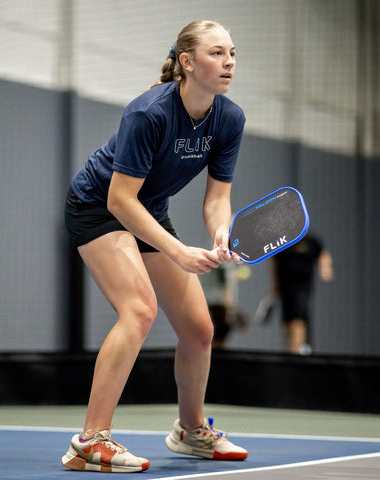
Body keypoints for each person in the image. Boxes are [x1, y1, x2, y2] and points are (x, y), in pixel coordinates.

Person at [61, 20, 248, 473]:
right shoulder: (150, 113)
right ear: (187, 62)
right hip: (98, 206)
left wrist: (220, 233)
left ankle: (190, 431)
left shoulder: (229, 118)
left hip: (147, 209)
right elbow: (119, 200)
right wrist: (179, 253)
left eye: (233, 54)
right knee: (139, 309)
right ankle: (90, 440)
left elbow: (218, 198)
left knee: (199, 329)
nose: (229, 63)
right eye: (217, 53)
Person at [271, 233, 334, 354]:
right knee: (287, 322)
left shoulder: (311, 240)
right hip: (285, 289)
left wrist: (325, 268)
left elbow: (323, 253)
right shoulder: (282, 240)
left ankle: (297, 353)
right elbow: (274, 264)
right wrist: (275, 287)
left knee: (298, 320)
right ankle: (293, 350)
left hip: (302, 288)